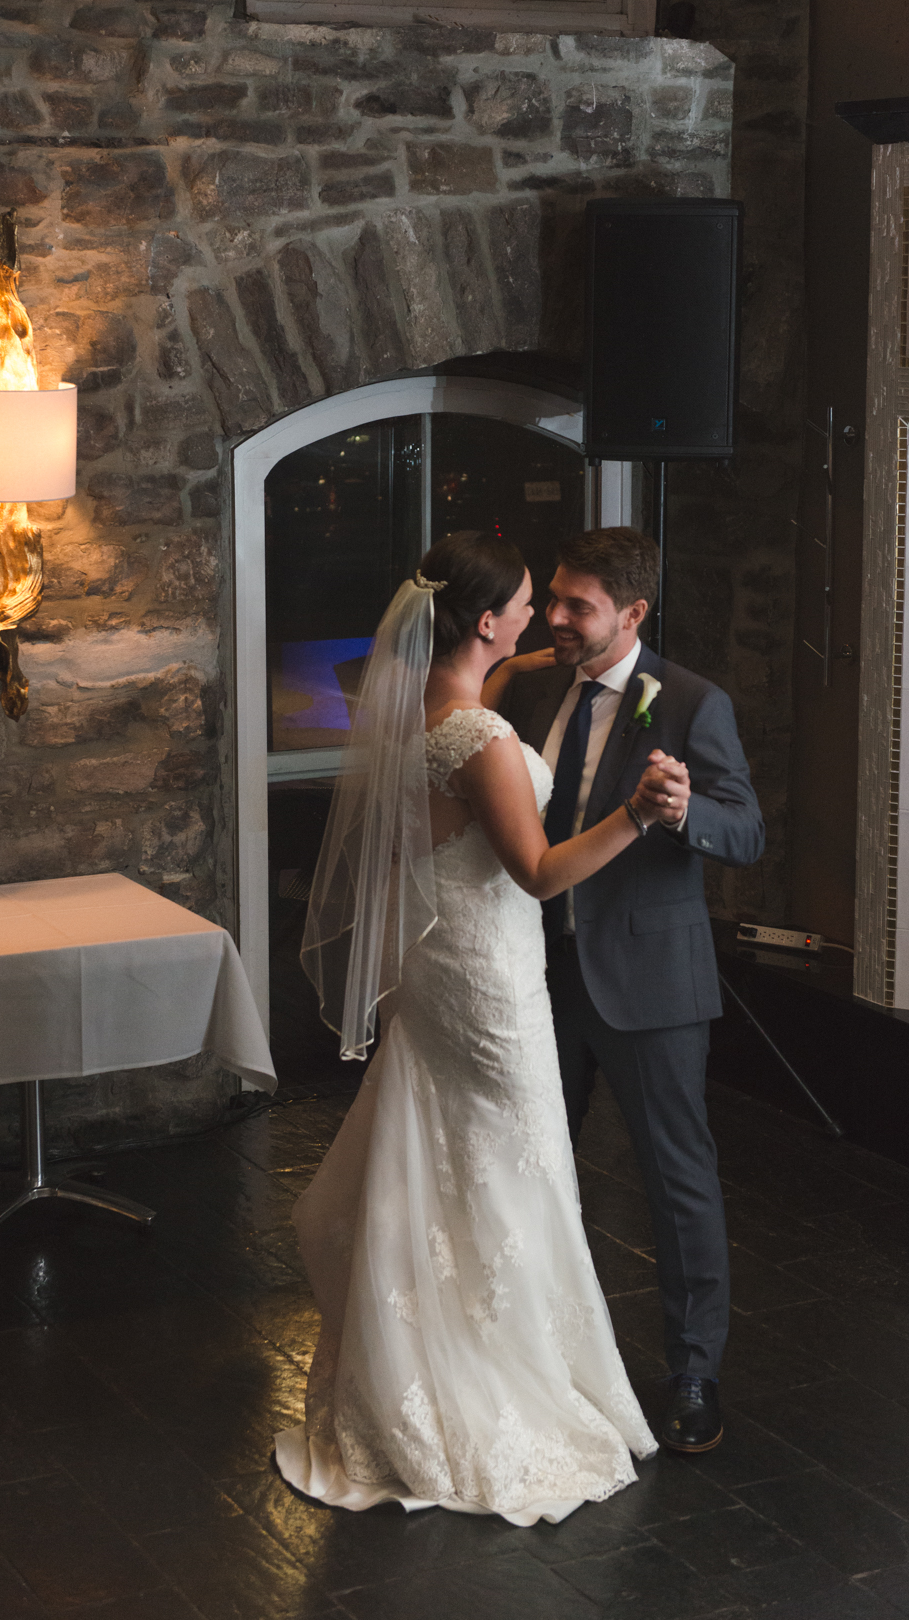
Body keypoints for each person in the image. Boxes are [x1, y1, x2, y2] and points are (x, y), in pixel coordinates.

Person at [275, 531, 684, 1526]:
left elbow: (499, 684)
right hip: (491, 979)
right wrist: (632, 813)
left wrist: (554, 659)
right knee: (513, 1162)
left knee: (445, 1149)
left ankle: (415, 1355)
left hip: (436, 964)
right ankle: (490, 1381)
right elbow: (538, 873)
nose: (545, 617)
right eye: (531, 604)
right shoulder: (481, 738)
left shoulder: (430, 709)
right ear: (486, 621)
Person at [487, 525, 765, 1455]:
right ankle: (540, 1353)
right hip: (534, 971)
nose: (559, 619)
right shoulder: (528, 687)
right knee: (533, 1170)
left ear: (632, 615)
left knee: (675, 1182)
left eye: (579, 607)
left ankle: (692, 1369)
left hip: (648, 981)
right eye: (555, 599)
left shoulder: (690, 702)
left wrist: (687, 813)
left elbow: (746, 831)